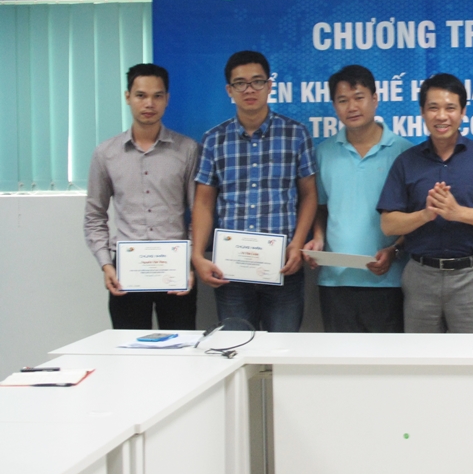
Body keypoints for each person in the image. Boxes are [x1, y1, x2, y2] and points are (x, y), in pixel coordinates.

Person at [378, 73, 473, 333]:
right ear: (422, 112)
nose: (441, 116)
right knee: (422, 356)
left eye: (450, 108)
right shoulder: (406, 162)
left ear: (463, 112)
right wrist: (425, 215)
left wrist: (458, 213)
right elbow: (388, 224)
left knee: (472, 355)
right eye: (433, 108)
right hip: (421, 276)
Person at [191, 50, 318, 332]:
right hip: (230, 272)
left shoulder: (296, 134)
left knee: (282, 350)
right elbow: (203, 203)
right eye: (240, 83)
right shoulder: (214, 140)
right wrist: (198, 255)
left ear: (269, 86)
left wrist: (297, 243)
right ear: (229, 90)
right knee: (236, 348)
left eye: (257, 81)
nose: (249, 89)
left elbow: (309, 195)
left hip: (283, 266)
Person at [84, 63, 199, 329]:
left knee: (181, 346)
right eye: (141, 95)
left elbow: (199, 212)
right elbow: (94, 216)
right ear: (128, 97)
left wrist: (190, 263)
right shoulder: (106, 153)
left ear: (167, 99)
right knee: (129, 348)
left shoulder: (188, 150)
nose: (149, 103)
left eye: (157, 96)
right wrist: (106, 265)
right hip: (127, 271)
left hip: (175, 268)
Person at [303, 65, 412, 332]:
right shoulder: (324, 152)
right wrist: (318, 237)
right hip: (335, 280)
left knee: (386, 357)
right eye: (342, 100)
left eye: (359, 97)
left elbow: (414, 218)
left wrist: (395, 250)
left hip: (388, 280)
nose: (352, 107)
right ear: (334, 106)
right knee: (340, 357)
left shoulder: (405, 152)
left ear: (375, 99)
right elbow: (321, 207)